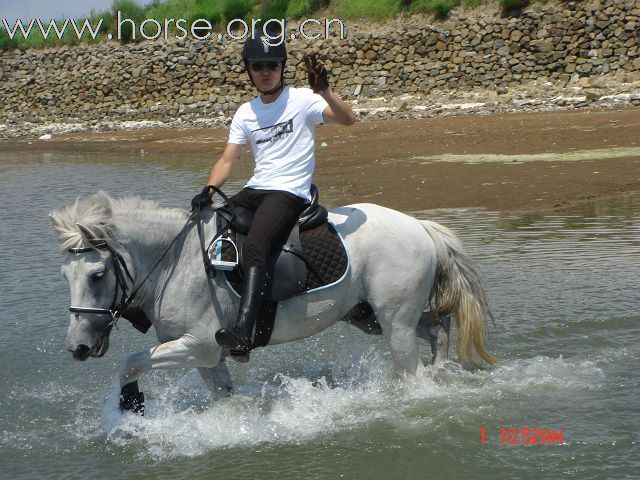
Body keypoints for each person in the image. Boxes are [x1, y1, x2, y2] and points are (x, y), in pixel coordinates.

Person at [191, 34, 356, 356]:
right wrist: (210, 190)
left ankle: (243, 331)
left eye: (272, 65)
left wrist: (325, 92)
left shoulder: (303, 99)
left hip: (289, 192)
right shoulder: (246, 112)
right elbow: (228, 159)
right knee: (207, 223)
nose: (265, 72)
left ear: (282, 68)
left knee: (256, 246)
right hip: (256, 189)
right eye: (258, 66)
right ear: (249, 71)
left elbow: (349, 120)